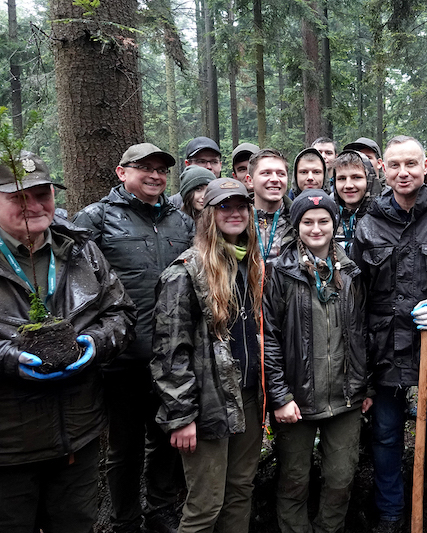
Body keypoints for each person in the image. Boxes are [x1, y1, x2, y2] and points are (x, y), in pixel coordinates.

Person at [0, 154, 136, 533]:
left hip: (78, 435)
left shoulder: (79, 249)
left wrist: (95, 342)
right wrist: (7, 358)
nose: (34, 205)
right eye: (18, 197)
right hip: (8, 447)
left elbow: (122, 314)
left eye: (42, 194)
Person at [351, 135, 427, 533]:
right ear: (382, 170)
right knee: (386, 436)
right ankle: (390, 513)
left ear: (425, 165)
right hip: (383, 346)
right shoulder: (368, 224)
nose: (403, 172)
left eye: (410, 163)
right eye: (394, 165)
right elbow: (357, 293)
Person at [73, 143, 194, 533]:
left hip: (170, 357)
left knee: (167, 439)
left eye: (161, 169)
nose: (155, 175)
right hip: (121, 359)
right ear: (121, 172)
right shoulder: (96, 218)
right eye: (145, 168)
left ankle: (160, 510)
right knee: (122, 447)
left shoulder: (180, 220)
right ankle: (124, 518)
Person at [151, 177, 264, 533]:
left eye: (241, 206)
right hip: (207, 404)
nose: (235, 213)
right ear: (207, 214)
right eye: (224, 206)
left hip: (248, 395)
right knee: (205, 505)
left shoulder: (252, 265)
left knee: (240, 491)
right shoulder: (184, 272)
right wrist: (181, 415)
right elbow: (169, 352)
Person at [263, 189, 370, 533]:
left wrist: (363, 384)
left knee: (341, 477)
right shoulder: (280, 272)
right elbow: (269, 336)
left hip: (346, 397)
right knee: (294, 479)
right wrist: (280, 396)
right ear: (297, 226)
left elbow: (363, 331)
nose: (316, 228)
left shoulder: (352, 271)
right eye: (307, 222)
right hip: (297, 398)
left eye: (324, 220)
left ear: (334, 223)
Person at [246, 148, 296, 262]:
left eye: (281, 174)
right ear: (250, 180)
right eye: (266, 173)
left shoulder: (298, 219)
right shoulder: (238, 219)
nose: (275, 179)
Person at [331, 150, 382, 254]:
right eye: (342, 178)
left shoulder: (383, 217)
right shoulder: (328, 216)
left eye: (356, 177)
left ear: (369, 179)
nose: (348, 185)